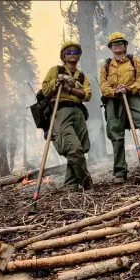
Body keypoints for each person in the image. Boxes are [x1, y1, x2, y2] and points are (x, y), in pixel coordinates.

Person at [100, 32, 140, 184]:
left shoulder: (133, 60)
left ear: (125, 45)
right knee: (116, 134)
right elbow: (103, 86)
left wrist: (130, 88)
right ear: (110, 47)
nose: (118, 46)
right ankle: (120, 172)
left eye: (121, 43)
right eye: (114, 44)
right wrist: (115, 91)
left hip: (132, 97)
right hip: (114, 102)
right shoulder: (106, 65)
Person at [42, 41, 93, 192]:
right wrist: (56, 82)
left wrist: (70, 88)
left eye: (75, 52)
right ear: (63, 56)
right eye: (69, 52)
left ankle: (71, 186)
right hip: (61, 110)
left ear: (79, 56)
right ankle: (86, 181)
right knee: (73, 148)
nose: (72, 54)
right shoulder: (55, 70)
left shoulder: (82, 76)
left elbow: (87, 94)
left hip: (78, 112)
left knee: (82, 148)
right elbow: (45, 90)